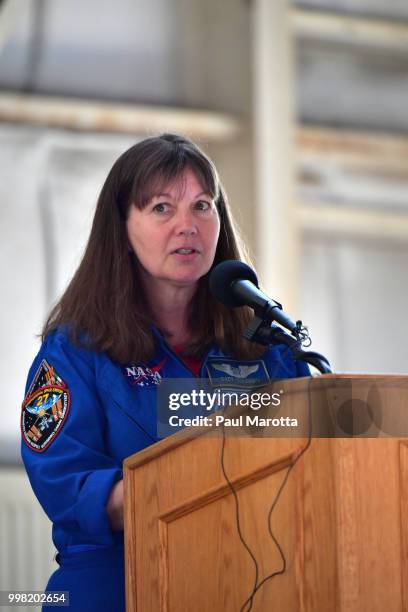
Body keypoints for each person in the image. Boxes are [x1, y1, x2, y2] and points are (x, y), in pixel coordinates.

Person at [21, 133, 310, 611]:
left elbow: (321, 456)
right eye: (161, 208)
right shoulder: (75, 351)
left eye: (202, 205)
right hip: (118, 583)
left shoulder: (270, 347)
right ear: (122, 229)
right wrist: (201, 484)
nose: (187, 226)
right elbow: (66, 488)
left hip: (254, 580)